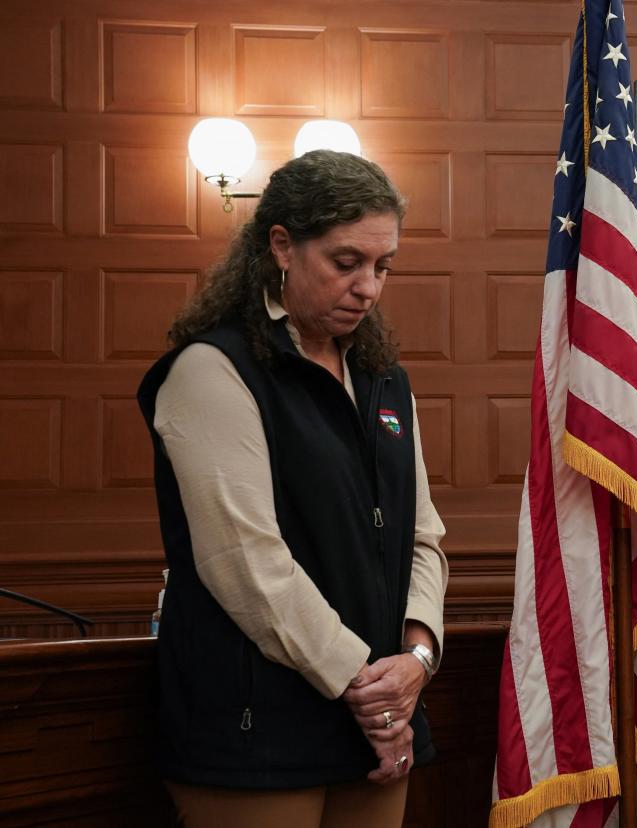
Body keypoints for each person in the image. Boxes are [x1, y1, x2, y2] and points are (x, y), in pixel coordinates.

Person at [136, 150, 449, 827]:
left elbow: (421, 534)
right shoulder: (212, 369)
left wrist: (417, 659)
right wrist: (368, 685)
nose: (368, 286)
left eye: (382, 266)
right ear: (281, 244)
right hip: (258, 727)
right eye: (346, 262)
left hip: (379, 716)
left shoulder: (383, 380)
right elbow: (245, 563)